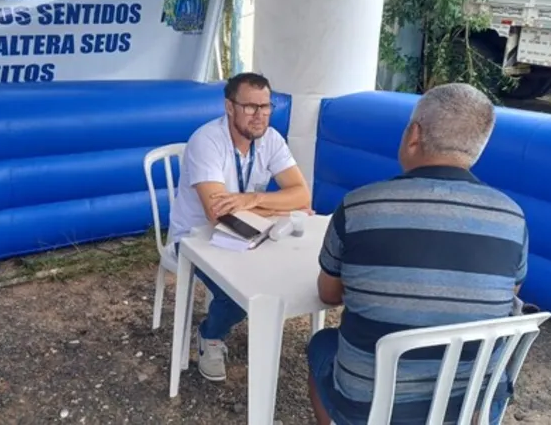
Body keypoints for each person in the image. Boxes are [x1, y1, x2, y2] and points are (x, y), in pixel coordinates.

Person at [306, 83, 529, 425]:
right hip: (472, 407)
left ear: (413, 135)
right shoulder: (512, 217)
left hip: (371, 407)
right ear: (477, 148)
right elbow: (508, 296)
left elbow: (328, 294)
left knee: (321, 344)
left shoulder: (359, 206)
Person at [167, 72, 311, 382]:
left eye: (265, 106)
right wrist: (275, 203)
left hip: (250, 231)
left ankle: (235, 321)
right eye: (250, 107)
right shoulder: (207, 140)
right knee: (242, 291)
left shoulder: (271, 138)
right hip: (196, 238)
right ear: (229, 107)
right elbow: (216, 213)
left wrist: (251, 199)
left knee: (293, 269)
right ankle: (210, 335)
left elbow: (302, 195)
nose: (259, 116)